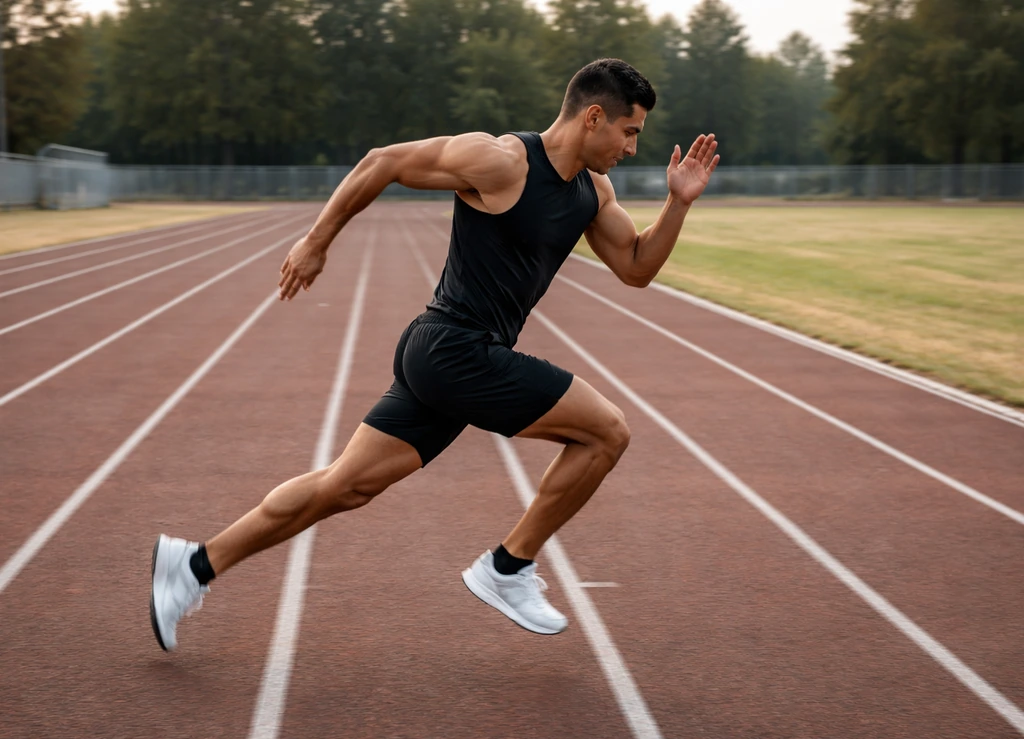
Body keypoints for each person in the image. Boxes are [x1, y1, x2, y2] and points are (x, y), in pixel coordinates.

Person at [150, 57, 719, 651]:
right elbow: (383, 162)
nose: (631, 149)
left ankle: (191, 566)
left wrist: (678, 203)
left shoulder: (592, 193)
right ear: (594, 117)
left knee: (344, 486)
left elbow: (635, 268)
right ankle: (507, 566)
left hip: (451, 357)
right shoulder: (501, 162)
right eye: (630, 133)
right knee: (607, 433)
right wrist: (316, 242)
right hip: (454, 348)